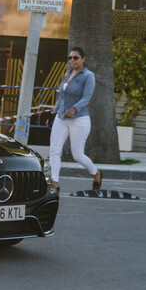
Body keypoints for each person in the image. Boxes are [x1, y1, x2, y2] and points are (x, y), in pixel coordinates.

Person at [49, 46, 102, 191]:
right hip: (61, 118)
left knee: (77, 155)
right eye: (70, 58)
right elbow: (62, 96)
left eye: (75, 58)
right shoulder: (68, 73)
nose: (72, 60)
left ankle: (96, 173)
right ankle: (54, 182)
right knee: (54, 150)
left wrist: (74, 109)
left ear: (83, 59)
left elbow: (87, 97)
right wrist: (54, 112)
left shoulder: (88, 75)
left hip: (79, 119)